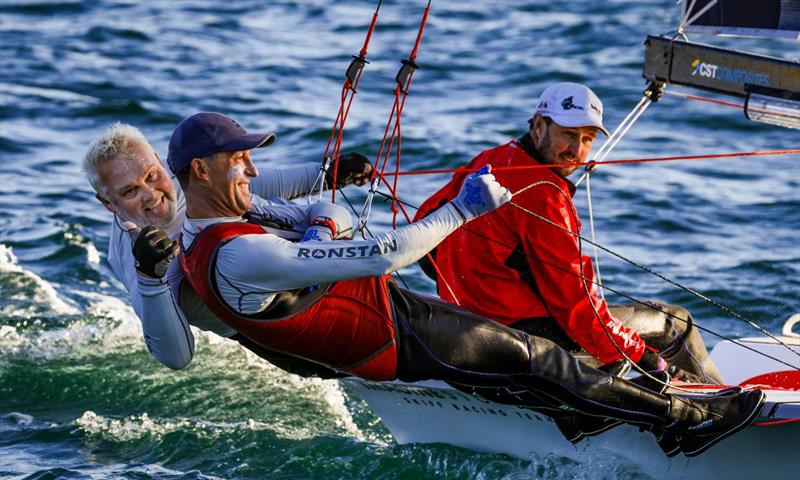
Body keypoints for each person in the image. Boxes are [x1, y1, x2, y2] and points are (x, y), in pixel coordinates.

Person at [169, 111, 765, 458]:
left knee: (537, 363)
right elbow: (385, 255)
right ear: (201, 170)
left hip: (391, 315)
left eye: (251, 158)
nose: (252, 168)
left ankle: (591, 414)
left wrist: (326, 228)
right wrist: (464, 207)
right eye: (240, 159)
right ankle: (687, 423)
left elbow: (328, 209)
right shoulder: (239, 253)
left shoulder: (239, 215)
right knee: (544, 361)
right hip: (389, 342)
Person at [414, 82, 724, 386]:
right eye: (569, 135)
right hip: (529, 343)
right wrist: (648, 359)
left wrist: (475, 285)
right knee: (673, 322)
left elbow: (425, 237)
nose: (577, 151)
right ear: (538, 126)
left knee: (613, 335)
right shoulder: (547, 196)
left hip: (473, 329)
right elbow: (580, 313)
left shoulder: (490, 159)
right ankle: (719, 401)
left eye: (588, 139)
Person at [83, 121, 371, 373]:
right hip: (268, 331)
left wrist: (328, 172)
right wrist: (150, 277)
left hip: (299, 271)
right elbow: (176, 357)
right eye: (129, 191)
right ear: (108, 203)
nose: (151, 195)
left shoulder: (182, 178)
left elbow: (253, 184)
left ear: (160, 162)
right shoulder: (127, 251)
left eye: (152, 176)